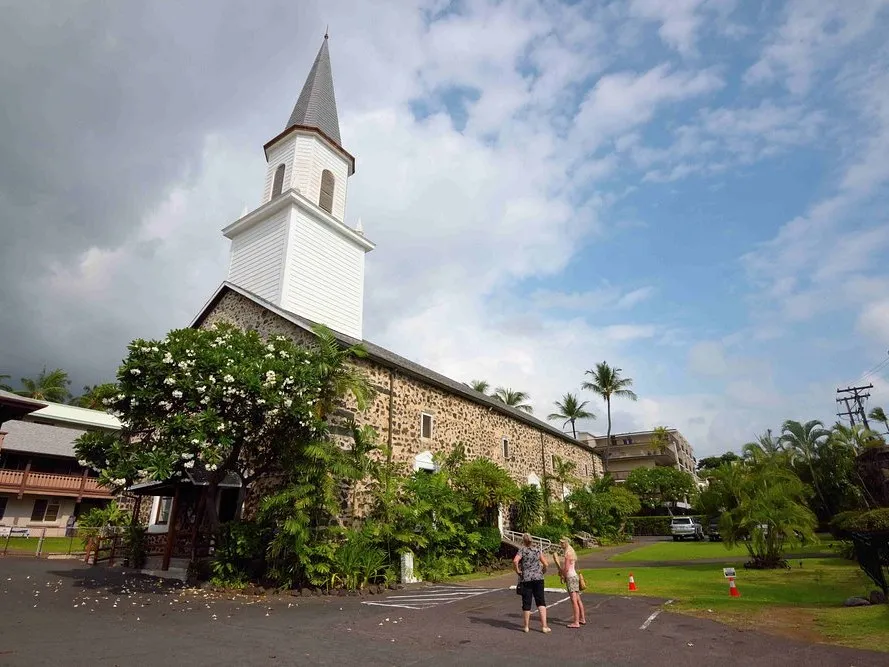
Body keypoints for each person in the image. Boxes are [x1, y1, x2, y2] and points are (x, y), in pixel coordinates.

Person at [513, 533, 551, 633]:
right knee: (540, 601)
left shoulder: (522, 550)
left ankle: (526, 627)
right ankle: (544, 626)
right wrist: (543, 571)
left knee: (526, 601)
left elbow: (515, 561)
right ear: (532, 540)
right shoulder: (537, 550)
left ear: (523, 541)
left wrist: (517, 571)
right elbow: (546, 564)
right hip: (538, 578)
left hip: (526, 578)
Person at [555, 537, 586, 628]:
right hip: (574, 576)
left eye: (562, 543)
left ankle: (576, 622)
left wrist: (562, 575)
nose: (561, 545)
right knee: (578, 599)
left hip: (571, 578)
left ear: (565, 543)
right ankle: (582, 618)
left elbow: (567, 568)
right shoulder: (571, 551)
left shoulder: (568, 553)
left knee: (574, 601)